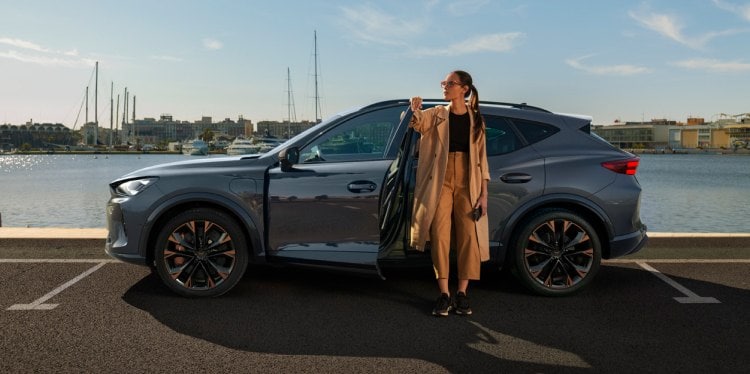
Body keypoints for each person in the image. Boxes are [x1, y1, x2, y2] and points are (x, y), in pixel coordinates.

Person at [409, 70, 490, 317]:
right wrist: (414, 110)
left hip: (470, 180)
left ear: (464, 88)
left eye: (450, 83)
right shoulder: (436, 114)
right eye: (444, 83)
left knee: (469, 237)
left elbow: (482, 158)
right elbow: (418, 125)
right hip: (440, 180)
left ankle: (462, 293)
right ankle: (444, 293)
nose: (445, 86)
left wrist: (484, 194)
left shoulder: (476, 118)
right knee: (439, 235)